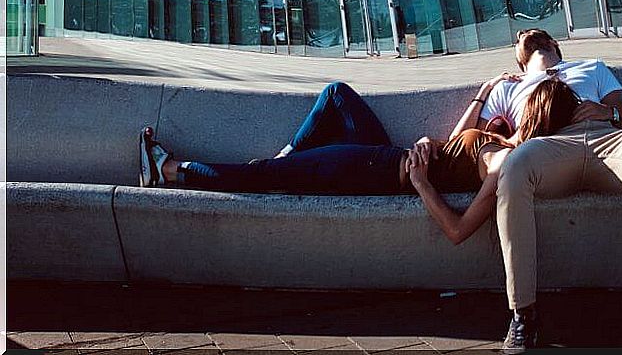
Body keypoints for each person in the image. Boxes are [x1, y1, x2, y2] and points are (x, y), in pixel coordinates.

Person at [458, 29, 622, 351]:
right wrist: (485, 90)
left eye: (534, 34)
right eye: (520, 38)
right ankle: (523, 315)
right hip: (551, 146)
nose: (524, 35)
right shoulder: (507, 86)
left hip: (607, 141)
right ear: (519, 56)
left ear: (556, 45)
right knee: (513, 167)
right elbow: (466, 137)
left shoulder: (593, 67)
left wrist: (606, 112)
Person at [138, 77, 582, 248]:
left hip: (375, 173)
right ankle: (289, 157)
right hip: (386, 158)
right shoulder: (503, 142)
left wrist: (422, 181)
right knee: (337, 94)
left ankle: (169, 170)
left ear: (534, 112)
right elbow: (454, 145)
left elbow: (458, 231)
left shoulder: (502, 161)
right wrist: (478, 105)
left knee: (260, 177)